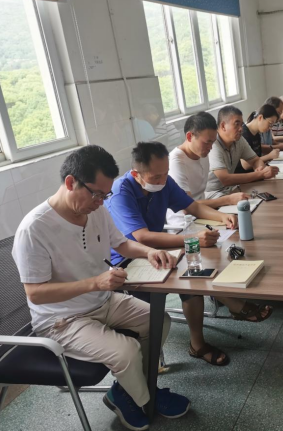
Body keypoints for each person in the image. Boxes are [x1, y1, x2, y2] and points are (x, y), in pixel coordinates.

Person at [12, 146, 190, 430]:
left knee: (159, 320)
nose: (100, 202)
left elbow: (122, 243)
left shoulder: (96, 210)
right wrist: (95, 282)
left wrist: (149, 252)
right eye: (96, 194)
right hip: (62, 319)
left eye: (105, 196)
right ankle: (147, 399)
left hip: (103, 301)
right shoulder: (34, 229)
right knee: (126, 351)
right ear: (71, 182)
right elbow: (35, 293)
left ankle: (126, 391)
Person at [105, 142, 273, 367]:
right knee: (190, 270)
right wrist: (192, 239)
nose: (162, 181)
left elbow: (192, 207)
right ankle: (225, 312)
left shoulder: (163, 180)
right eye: (156, 177)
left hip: (157, 249)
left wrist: (221, 217)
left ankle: (203, 335)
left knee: (197, 261)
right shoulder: (121, 192)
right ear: (136, 174)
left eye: (165, 174)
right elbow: (141, 237)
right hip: (127, 260)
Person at [166, 112, 249, 226]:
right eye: (207, 142)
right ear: (189, 137)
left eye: (213, 142)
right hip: (184, 223)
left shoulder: (202, 153)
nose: (210, 147)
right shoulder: (176, 162)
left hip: (204, 214)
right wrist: (227, 200)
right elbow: (188, 207)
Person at [205, 106, 279, 199]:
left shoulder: (239, 140)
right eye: (236, 124)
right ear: (223, 126)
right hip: (213, 193)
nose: (241, 129)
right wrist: (260, 174)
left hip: (231, 189)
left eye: (241, 124)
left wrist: (260, 168)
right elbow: (225, 179)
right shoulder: (214, 144)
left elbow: (255, 160)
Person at [238, 104, 281, 173]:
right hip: (246, 175)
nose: (270, 128)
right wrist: (269, 156)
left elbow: (257, 158)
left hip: (256, 172)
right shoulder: (244, 134)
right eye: (270, 124)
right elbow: (246, 165)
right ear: (260, 117)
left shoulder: (257, 134)